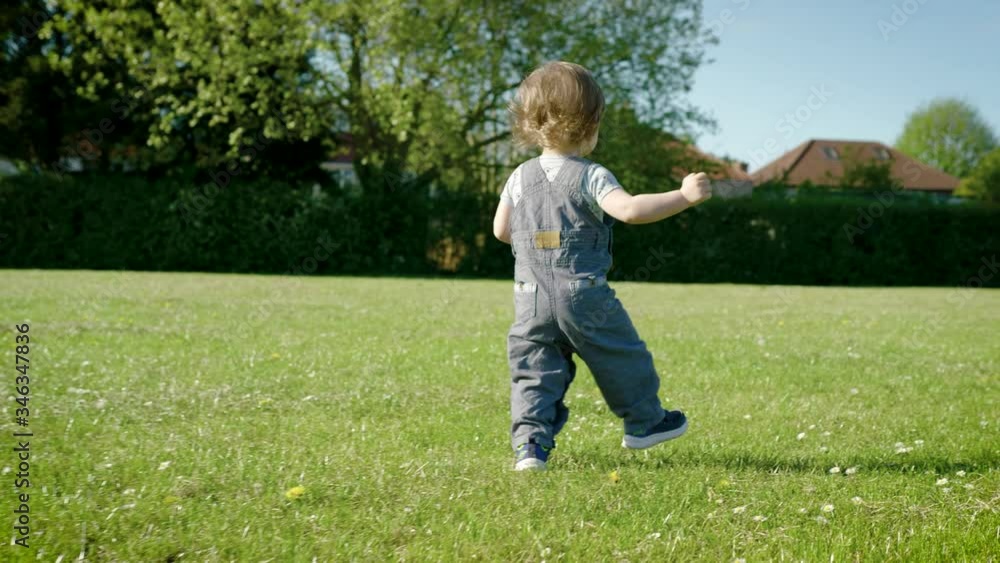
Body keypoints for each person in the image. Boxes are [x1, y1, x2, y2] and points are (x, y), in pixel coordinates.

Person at [492, 61, 713, 471]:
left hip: (530, 300)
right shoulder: (590, 176)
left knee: (534, 370)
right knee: (621, 355)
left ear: (531, 123)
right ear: (590, 124)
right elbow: (629, 210)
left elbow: (501, 230)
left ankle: (530, 447)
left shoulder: (518, 178)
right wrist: (682, 196)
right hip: (583, 294)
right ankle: (644, 424)